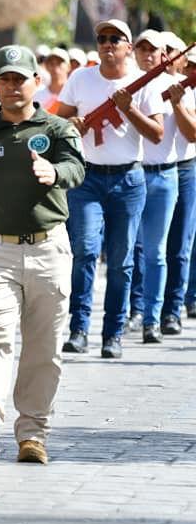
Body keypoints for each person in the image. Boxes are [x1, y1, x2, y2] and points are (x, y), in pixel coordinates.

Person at [0, 45, 85, 464]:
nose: (11, 86)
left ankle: (32, 434)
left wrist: (54, 172)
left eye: (19, 79)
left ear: (35, 83)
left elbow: (77, 170)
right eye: (3, 78)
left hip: (49, 248)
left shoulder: (59, 130)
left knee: (44, 349)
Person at [56, 19, 165, 358]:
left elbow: (157, 134)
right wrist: (72, 124)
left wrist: (128, 109)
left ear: (128, 47)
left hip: (128, 179)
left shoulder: (142, 82)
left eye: (115, 39)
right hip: (87, 178)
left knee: (120, 261)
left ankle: (113, 334)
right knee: (85, 251)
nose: (107, 44)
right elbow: (59, 120)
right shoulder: (81, 78)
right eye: (102, 38)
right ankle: (78, 328)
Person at [128, 30, 184, 343]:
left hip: (164, 176)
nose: (147, 54)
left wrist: (178, 103)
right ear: (134, 52)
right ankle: (131, 312)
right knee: (128, 251)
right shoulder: (126, 85)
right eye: (142, 48)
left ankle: (153, 319)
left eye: (154, 50)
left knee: (156, 252)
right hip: (132, 174)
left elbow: (190, 133)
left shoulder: (173, 86)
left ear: (164, 55)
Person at [162, 48, 196, 333]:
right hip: (152, 171)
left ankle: (173, 309)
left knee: (181, 248)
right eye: (192, 66)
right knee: (148, 250)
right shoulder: (156, 86)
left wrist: (177, 105)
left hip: (186, 170)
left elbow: (192, 133)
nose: (193, 72)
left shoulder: (188, 94)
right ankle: (143, 311)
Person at [33, 48, 70, 114]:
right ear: (46, 66)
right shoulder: (37, 94)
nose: (55, 66)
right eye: (51, 63)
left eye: (59, 62)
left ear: (69, 67)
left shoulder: (74, 94)